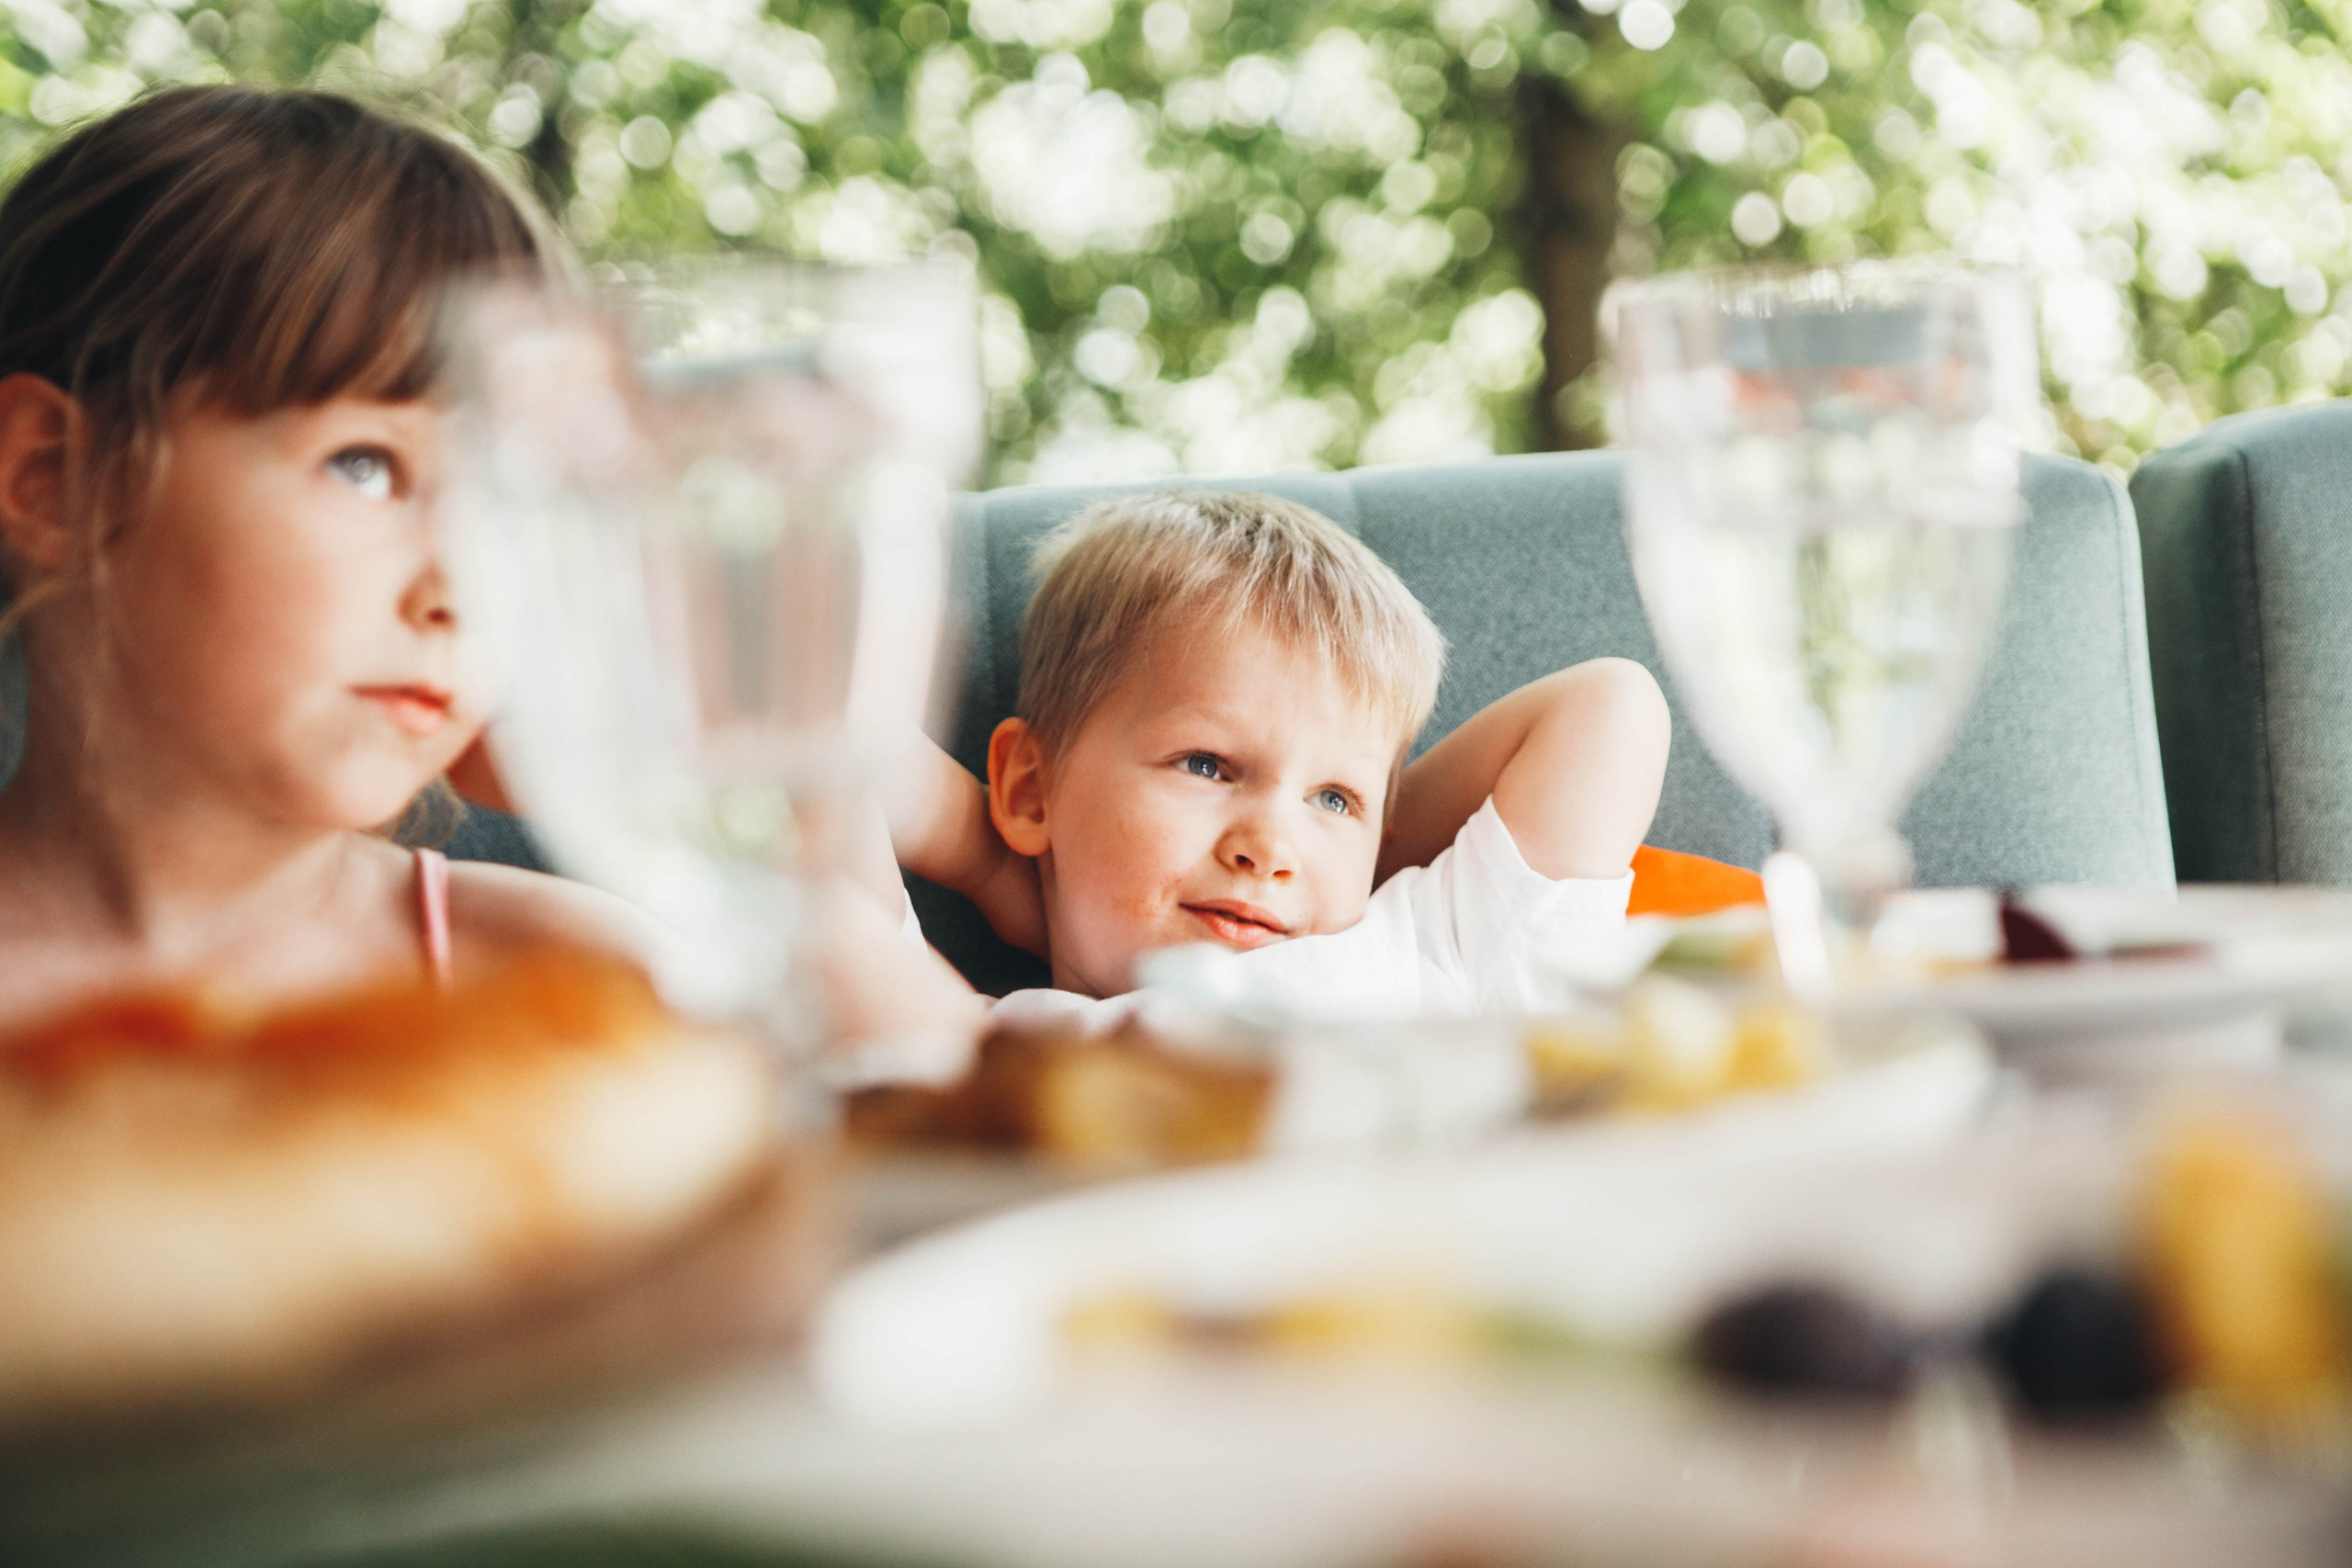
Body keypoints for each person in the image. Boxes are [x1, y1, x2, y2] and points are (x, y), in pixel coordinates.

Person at [0, 85, 978, 1042]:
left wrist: (644, 796)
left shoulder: (547, 971)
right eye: (365, 465)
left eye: (500, 500)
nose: (465, 589)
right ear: (53, 479)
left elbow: (950, 1084)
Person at [890, 489, 1672, 1030]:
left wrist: (1373, 855)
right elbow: (824, 778)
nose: (1271, 850)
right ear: (1028, 787)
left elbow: (1612, 705)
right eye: (1207, 765)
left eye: (1334, 799)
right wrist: (996, 854)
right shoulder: (984, 1042)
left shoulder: (1430, 947)